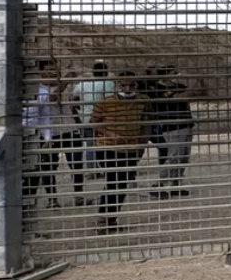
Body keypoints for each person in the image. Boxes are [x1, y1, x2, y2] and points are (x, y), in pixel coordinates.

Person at [90, 72, 149, 228]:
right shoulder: (105, 103)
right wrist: (110, 133)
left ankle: (111, 218)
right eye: (124, 85)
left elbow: (146, 120)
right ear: (117, 85)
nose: (128, 88)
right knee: (113, 180)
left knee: (122, 182)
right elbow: (94, 123)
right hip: (108, 147)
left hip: (131, 147)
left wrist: (143, 141)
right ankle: (104, 217)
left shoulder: (143, 101)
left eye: (131, 85)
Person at [66, 60, 115, 203]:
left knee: (89, 143)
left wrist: (77, 115)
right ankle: (102, 167)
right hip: (103, 119)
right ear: (105, 72)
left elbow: (72, 99)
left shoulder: (82, 84)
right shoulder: (109, 84)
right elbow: (111, 101)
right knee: (102, 143)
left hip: (85, 118)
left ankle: (92, 168)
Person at [147, 66, 194, 197]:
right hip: (172, 127)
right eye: (174, 73)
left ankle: (175, 185)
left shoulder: (179, 86)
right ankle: (159, 184)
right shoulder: (156, 90)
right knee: (173, 157)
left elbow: (190, 94)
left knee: (184, 157)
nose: (177, 75)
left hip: (186, 124)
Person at [22, 59, 62, 209]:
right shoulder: (7, 92)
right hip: (16, 138)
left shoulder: (42, 92)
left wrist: (47, 138)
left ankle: (41, 201)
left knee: (42, 170)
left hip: (35, 137)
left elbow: (45, 117)